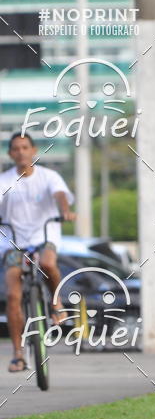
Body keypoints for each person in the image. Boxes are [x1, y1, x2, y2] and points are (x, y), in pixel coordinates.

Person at [0, 133, 75, 373]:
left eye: (25, 147)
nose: (21, 152)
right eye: (16, 148)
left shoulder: (49, 176)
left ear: (33, 150)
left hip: (44, 237)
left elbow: (60, 195)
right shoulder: (4, 180)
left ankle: (56, 302)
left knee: (48, 264)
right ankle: (18, 354)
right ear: (10, 154)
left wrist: (65, 211)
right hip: (14, 243)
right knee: (13, 294)